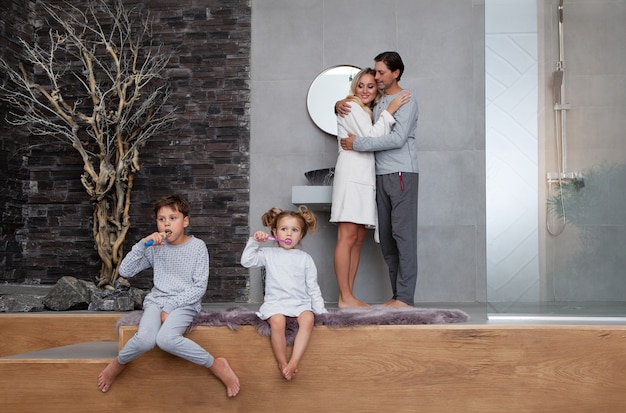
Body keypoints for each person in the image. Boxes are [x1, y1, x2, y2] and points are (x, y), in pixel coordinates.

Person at [97, 194, 240, 397]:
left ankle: (215, 364)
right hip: (157, 300)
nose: (166, 224)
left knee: (166, 340)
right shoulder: (156, 248)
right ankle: (118, 364)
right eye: (161, 219)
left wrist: (170, 307)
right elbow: (125, 271)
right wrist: (143, 244)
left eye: (173, 218)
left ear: (185, 221)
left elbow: (199, 287)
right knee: (145, 339)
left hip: (185, 303)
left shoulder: (198, 247)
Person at [336, 51, 419, 308]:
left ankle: (404, 298)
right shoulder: (378, 101)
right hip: (378, 176)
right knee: (387, 238)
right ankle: (396, 296)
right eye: (375, 72)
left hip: (401, 173)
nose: (377, 78)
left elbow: (396, 139)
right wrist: (338, 104)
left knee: (403, 236)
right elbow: (357, 113)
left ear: (396, 73)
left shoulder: (405, 100)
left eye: (381, 73)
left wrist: (357, 143)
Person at [240, 205, 327, 381]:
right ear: (274, 232)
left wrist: (321, 311)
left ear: (301, 235)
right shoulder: (268, 253)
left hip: (299, 303)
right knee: (278, 321)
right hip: (276, 303)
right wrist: (255, 241)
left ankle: (294, 361)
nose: (288, 234)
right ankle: (282, 362)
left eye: (294, 230)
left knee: (308, 319)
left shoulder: (305, 258)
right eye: (284, 229)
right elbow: (246, 261)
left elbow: (313, 287)